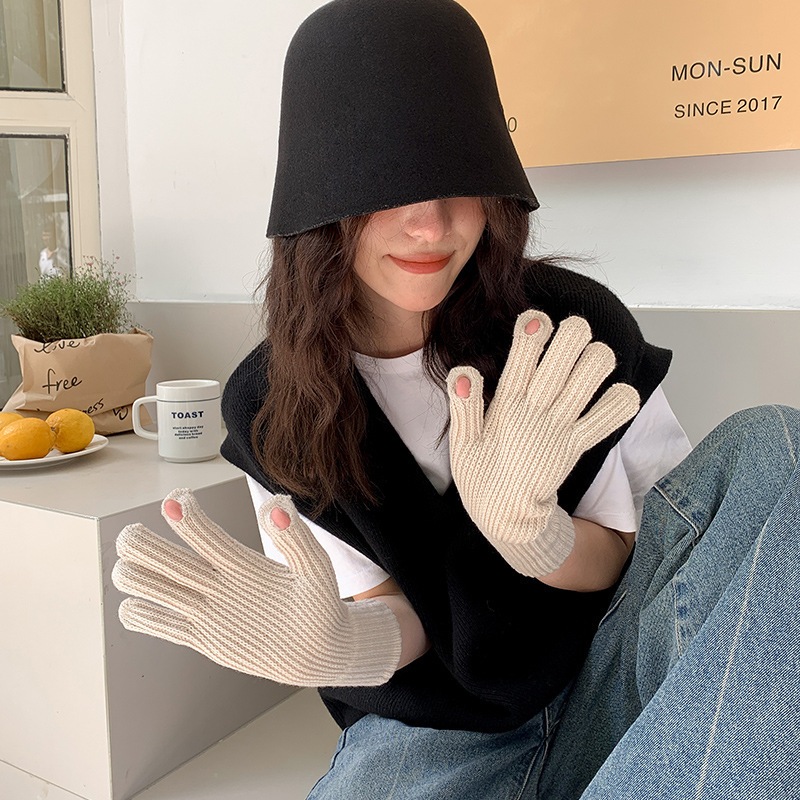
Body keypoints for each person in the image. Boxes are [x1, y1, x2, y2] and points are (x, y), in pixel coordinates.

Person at [112, 1, 800, 797]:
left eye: (458, 183)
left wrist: (538, 538)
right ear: (317, 204)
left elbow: (644, 556)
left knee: (774, 447)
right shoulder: (272, 404)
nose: (429, 224)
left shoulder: (570, 327)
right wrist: (342, 644)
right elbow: (392, 611)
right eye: (384, 188)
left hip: (612, 666)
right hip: (437, 729)